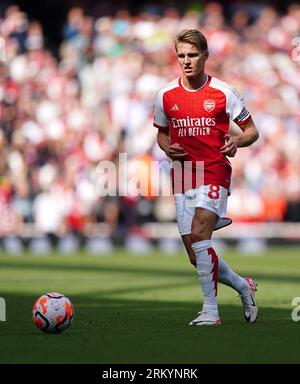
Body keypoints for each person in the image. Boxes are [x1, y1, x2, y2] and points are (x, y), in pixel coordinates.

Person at [153, 29, 259, 326]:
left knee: (200, 235)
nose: (186, 61)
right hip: (183, 173)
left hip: (213, 169)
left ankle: (211, 311)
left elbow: (252, 131)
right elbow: (161, 134)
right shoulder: (165, 95)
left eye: (192, 55)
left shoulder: (223, 92)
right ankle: (242, 286)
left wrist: (237, 141)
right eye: (181, 56)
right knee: (195, 254)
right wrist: (167, 148)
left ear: (205, 56)